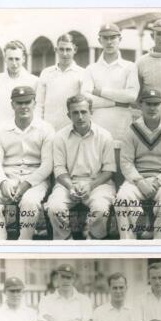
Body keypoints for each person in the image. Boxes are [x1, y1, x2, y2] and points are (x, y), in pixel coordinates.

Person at [0, 86, 54, 240]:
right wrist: (3, 183)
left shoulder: (46, 128)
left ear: (34, 103)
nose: (24, 106)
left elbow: (47, 164)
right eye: (19, 103)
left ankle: (24, 241)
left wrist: (27, 183)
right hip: (8, 176)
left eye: (28, 102)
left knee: (30, 202)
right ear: (12, 105)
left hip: (35, 179)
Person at [115, 89, 161, 239]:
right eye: (148, 104)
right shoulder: (132, 130)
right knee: (122, 199)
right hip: (138, 178)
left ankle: (159, 243)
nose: (152, 108)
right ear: (140, 105)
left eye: (156, 104)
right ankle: (129, 244)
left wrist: (158, 181)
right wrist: (140, 181)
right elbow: (126, 162)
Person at [46, 94, 116, 240]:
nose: (80, 117)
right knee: (55, 208)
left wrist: (91, 185)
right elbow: (59, 169)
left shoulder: (104, 136)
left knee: (101, 208)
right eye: (75, 113)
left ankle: (94, 238)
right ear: (68, 115)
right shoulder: (60, 137)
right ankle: (65, 241)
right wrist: (70, 186)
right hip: (68, 183)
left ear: (91, 112)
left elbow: (109, 170)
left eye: (84, 112)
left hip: (98, 183)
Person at [81, 23, 139, 142]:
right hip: (97, 125)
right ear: (99, 40)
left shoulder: (130, 67)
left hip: (121, 126)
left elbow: (131, 96)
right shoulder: (91, 68)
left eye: (113, 37)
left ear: (120, 39)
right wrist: (116, 102)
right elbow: (86, 98)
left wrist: (100, 91)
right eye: (105, 38)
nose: (109, 42)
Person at [35, 33, 86, 131]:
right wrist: (39, 126)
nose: (65, 53)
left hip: (72, 129)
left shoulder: (82, 73)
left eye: (68, 49)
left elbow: (84, 106)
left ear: (75, 50)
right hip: (48, 129)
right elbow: (39, 104)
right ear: (56, 50)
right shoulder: (46, 73)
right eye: (61, 49)